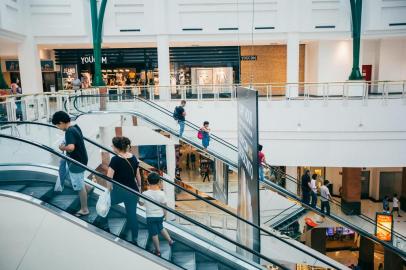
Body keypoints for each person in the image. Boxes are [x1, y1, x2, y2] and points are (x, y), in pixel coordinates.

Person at [102, 136, 141, 244]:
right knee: (132, 214)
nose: (111, 146)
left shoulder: (115, 159)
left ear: (117, 147)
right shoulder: (133, 158)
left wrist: (108, 189)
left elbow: (109, 178)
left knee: (106, 205)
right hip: (133, 191)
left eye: (112, 145)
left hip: (119, 191)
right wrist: (139, 188)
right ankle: (135, 238)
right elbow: (138, 176)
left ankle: (105, 225)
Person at [52, 111, 89, 217]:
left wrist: (62, 147)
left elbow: (71, 148)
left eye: (57, 125)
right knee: (77, 179)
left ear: (61, 123)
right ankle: (89, 190)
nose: (58, 128)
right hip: (82, 159)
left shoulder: (69, 131)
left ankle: (84, 209)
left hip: (76, 162)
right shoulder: (76, 127)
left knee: (79, 186)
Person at [139, 172, 174, 256]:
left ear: (148, 182)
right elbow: (164, 206)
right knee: (161, 227)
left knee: (154, 234)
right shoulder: (161, 193)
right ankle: (170, 241)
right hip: (159, 215)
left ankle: (158, 251)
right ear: (159, 182)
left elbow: (141, 204)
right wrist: (164, 215)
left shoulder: (145, 194)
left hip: (150, 217)